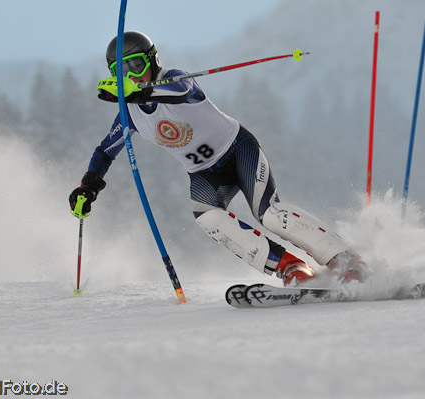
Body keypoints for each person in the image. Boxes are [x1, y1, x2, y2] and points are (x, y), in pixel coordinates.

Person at [69, 31, 368, 287]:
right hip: (204, 174)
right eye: (120, 71)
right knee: (208, 218)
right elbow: (105, 152)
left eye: (135, 65)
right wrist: (88, 187)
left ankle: (345, 259)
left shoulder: (174, 80)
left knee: (269, 214)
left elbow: (180, 92)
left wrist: (140, 93)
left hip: (238, 150)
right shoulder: (130, 115)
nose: (130, 76)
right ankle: (291, 267)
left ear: (153, 60)